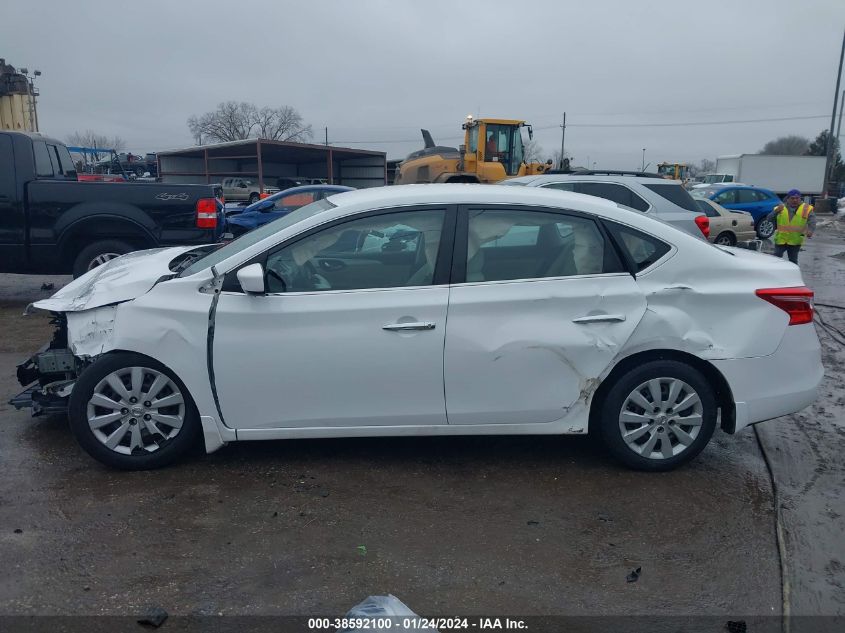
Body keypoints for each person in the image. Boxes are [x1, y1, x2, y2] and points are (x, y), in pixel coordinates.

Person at [765, 189, 815, 264]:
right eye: (792, 198)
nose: (795, 200)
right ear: (788, 199)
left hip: (795, 241)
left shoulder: (806, 208)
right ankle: (775, 272)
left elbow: (812, 221)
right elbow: (768, 219)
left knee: (793, 260)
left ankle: (793, 274)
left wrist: (810, 230)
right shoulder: (780, 208)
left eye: (797, 198)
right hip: (781, 240)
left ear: (800, 198)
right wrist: (776, 211)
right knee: (776, 258)